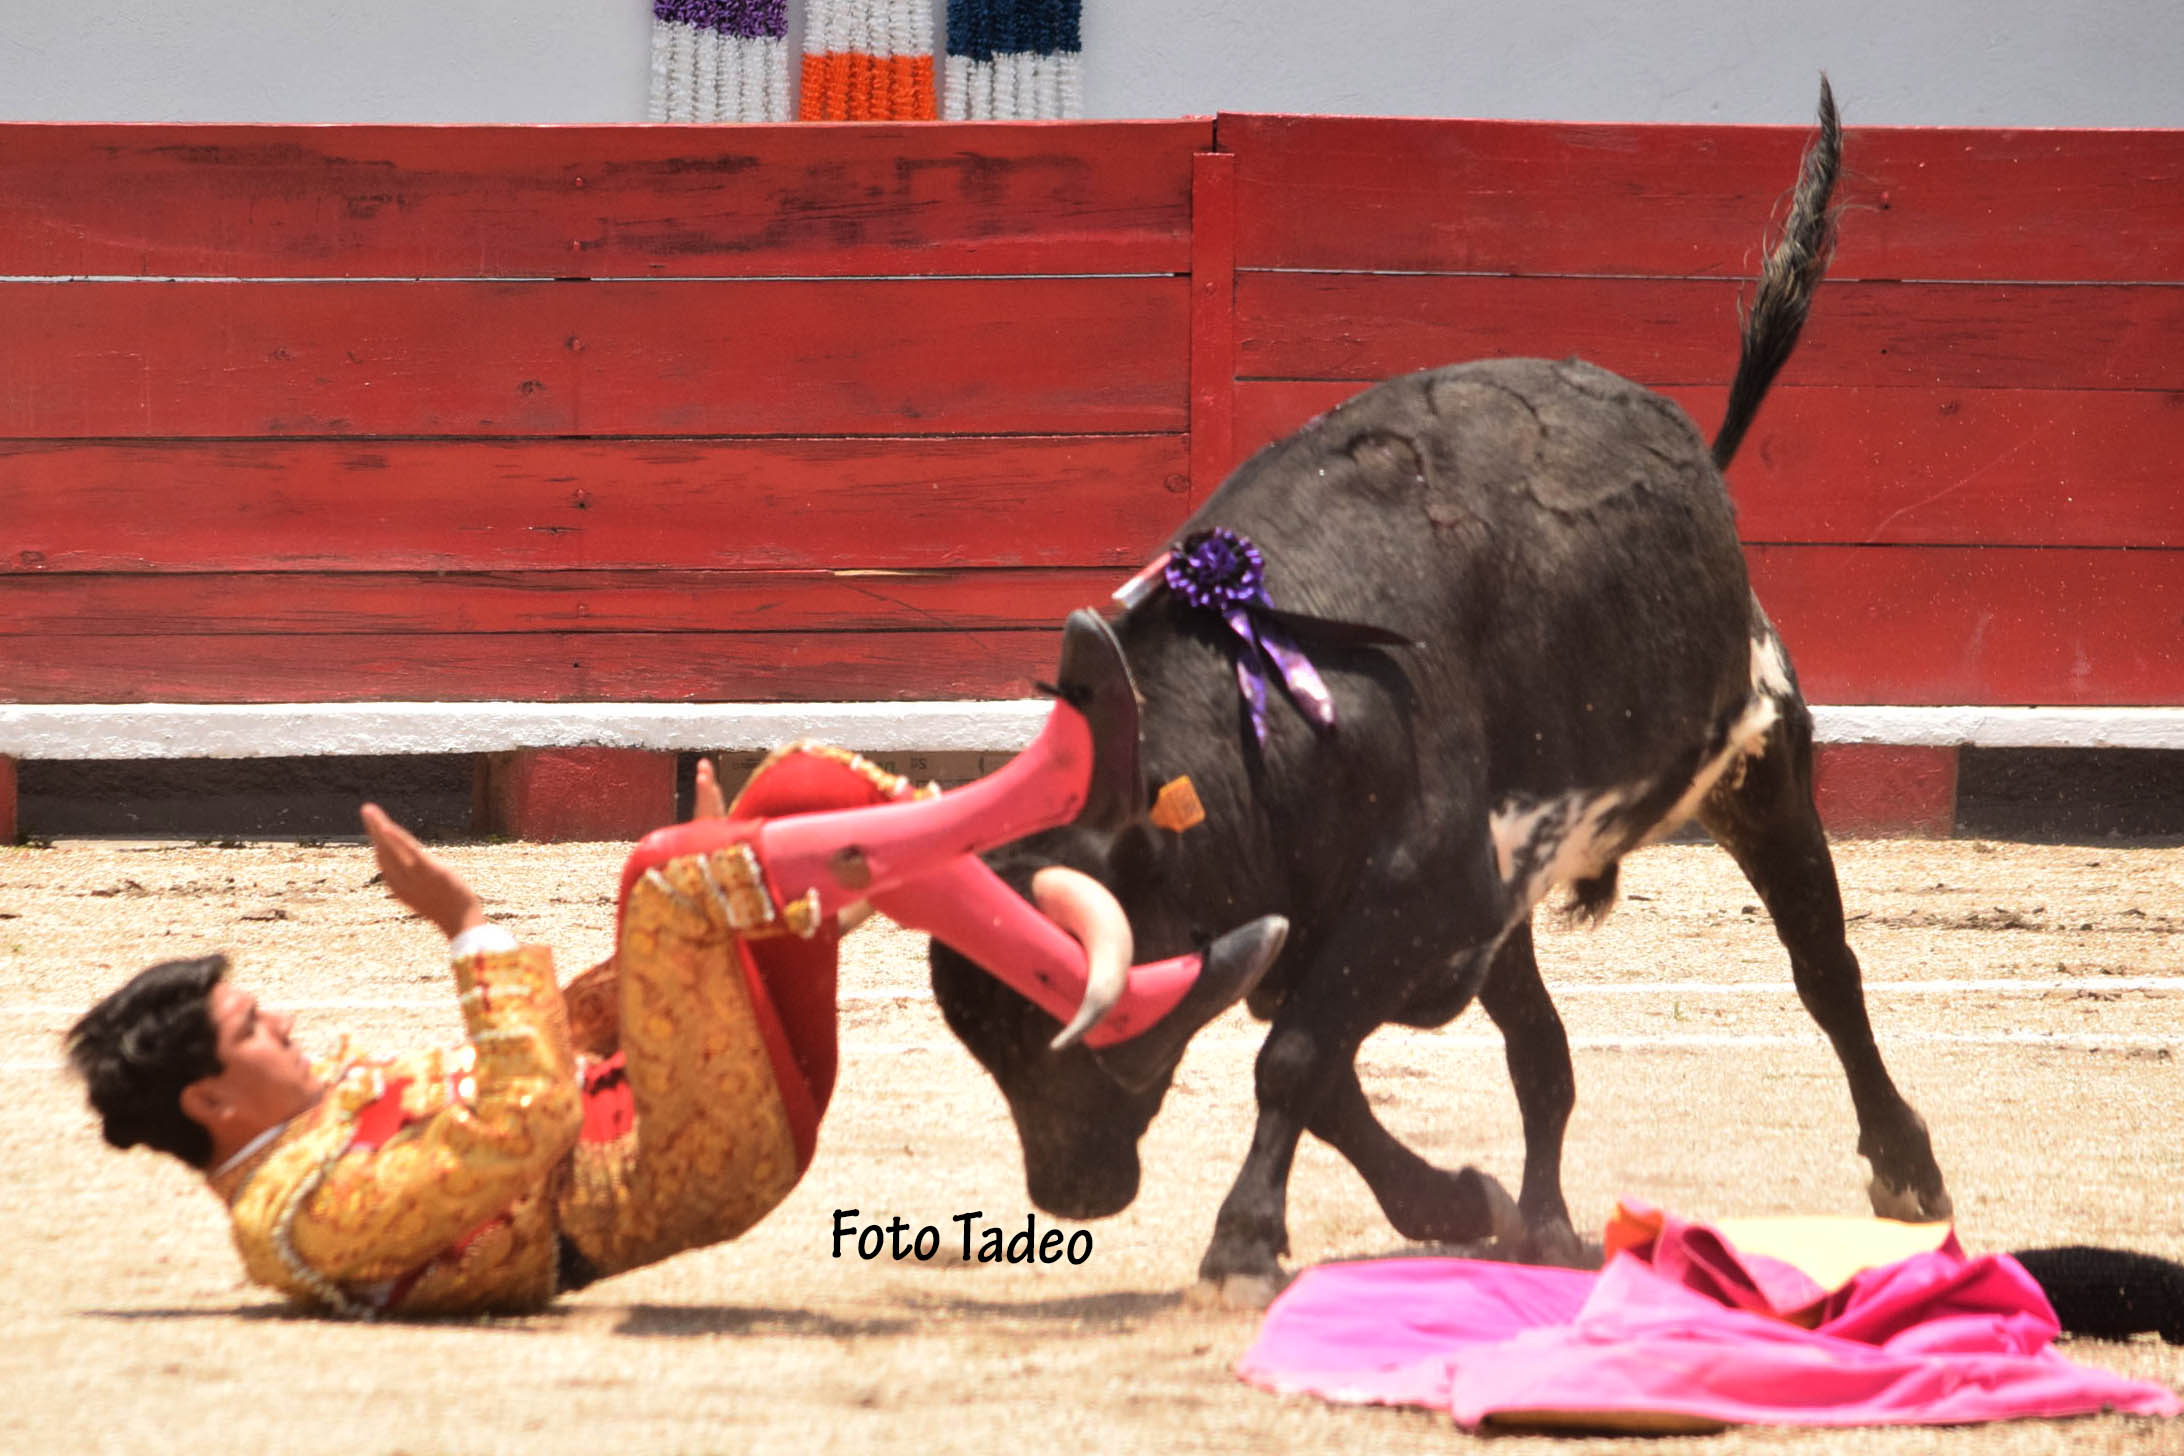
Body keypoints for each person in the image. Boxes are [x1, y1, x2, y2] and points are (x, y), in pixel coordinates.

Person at [67, 621, 1287, 1316]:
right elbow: (530, 1118)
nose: (282, 1021)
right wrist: (467, 922)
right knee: (663, 874)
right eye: (251, 1027)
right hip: (684, 1163)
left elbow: (561, 1046)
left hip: (685, 1098)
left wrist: (713, 892)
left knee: (792, 791)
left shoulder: (313, 1115)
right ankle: (1037, 795)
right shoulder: (303, 1218)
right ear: (209, 1099)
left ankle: (1110, 1002)